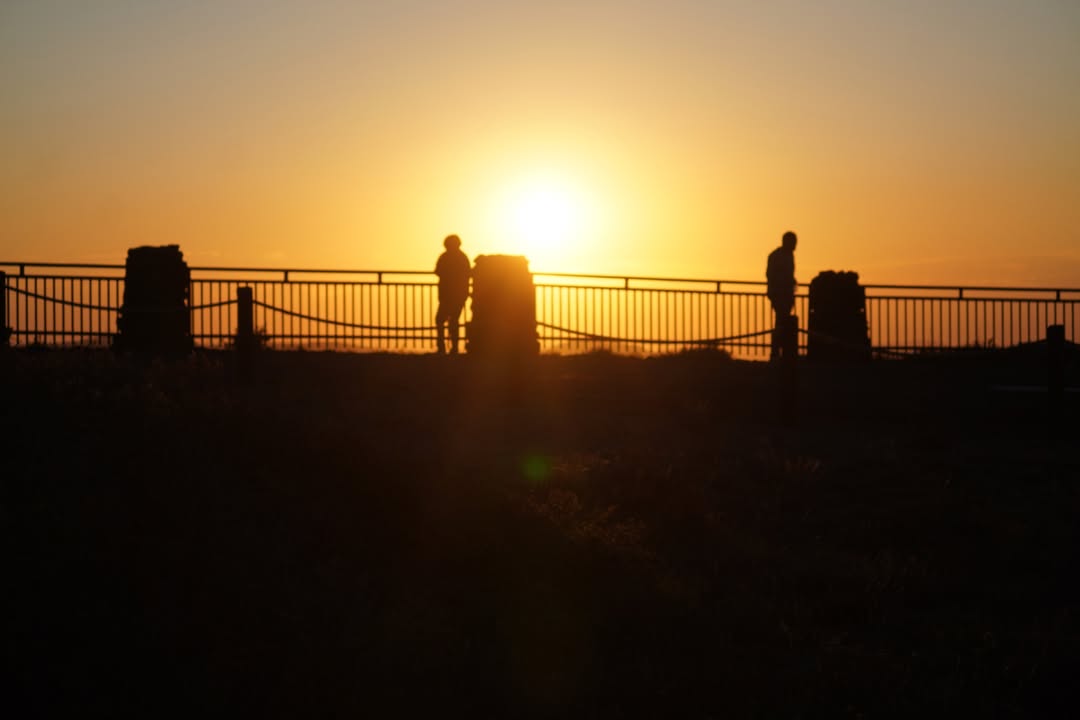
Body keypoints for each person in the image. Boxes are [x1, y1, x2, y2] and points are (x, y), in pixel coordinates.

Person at [434, 234, 471, 354]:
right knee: (454, 320)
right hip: (458, 295)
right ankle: (453, 347)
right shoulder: (462, 258)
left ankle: (442, 347)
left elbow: (438, 271)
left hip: (447, 295)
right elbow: (467, 274)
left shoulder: (445, 257)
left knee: (440, 320)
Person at [766, 230, 797, 361]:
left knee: (781, 322)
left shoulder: (785, 255)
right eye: (794, 243)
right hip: (780, 294)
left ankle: (779, 351)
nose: (795, 246)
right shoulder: (779, 256)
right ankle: (777, 351)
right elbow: (771, 274)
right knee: (781, 322)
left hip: (783, 293)